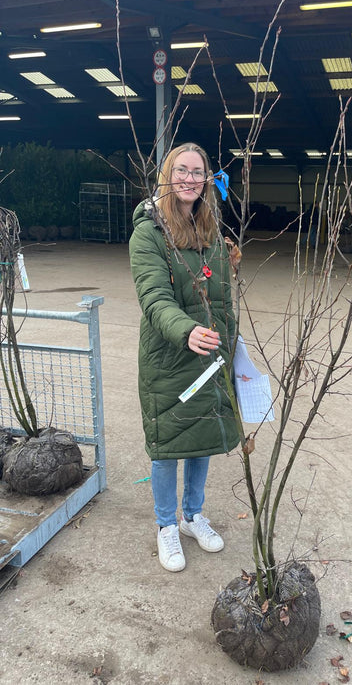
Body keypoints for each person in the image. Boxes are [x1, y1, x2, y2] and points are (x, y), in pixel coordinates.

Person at [129, 142, 239, 572]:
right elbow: (153, 296)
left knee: (202, 438)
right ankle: (166, 526)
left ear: (207, 178)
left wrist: (230, 346)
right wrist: (185, 330)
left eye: (197, 171)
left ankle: (193, 516)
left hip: (209, 352)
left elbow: (225, 298)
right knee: (168, 443)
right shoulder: (149, 232)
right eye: (182, 170)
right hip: (169, 354)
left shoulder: (211, 229)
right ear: (167, 175)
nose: (190, 178)